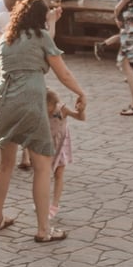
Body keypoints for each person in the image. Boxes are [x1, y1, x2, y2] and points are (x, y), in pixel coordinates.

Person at [0, 0, 87, 240]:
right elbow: (63, 73)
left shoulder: (6, 38)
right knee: (42, 166)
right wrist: (81, 93)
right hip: (30, 100)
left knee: (6, 163)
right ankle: (43, 230)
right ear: (41, 17)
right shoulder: (41, 36)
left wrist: (51, 22)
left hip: (4, 101)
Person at [45, 87, 83, 222]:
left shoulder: (61, 109)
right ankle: (42, 202)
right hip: (47, 145)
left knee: (59, 173)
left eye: (48, 108)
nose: (48, 111)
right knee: (44, 175)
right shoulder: (40, 111)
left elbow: (80, 117)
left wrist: (81, 110)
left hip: (61, 145)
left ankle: (54, 205)